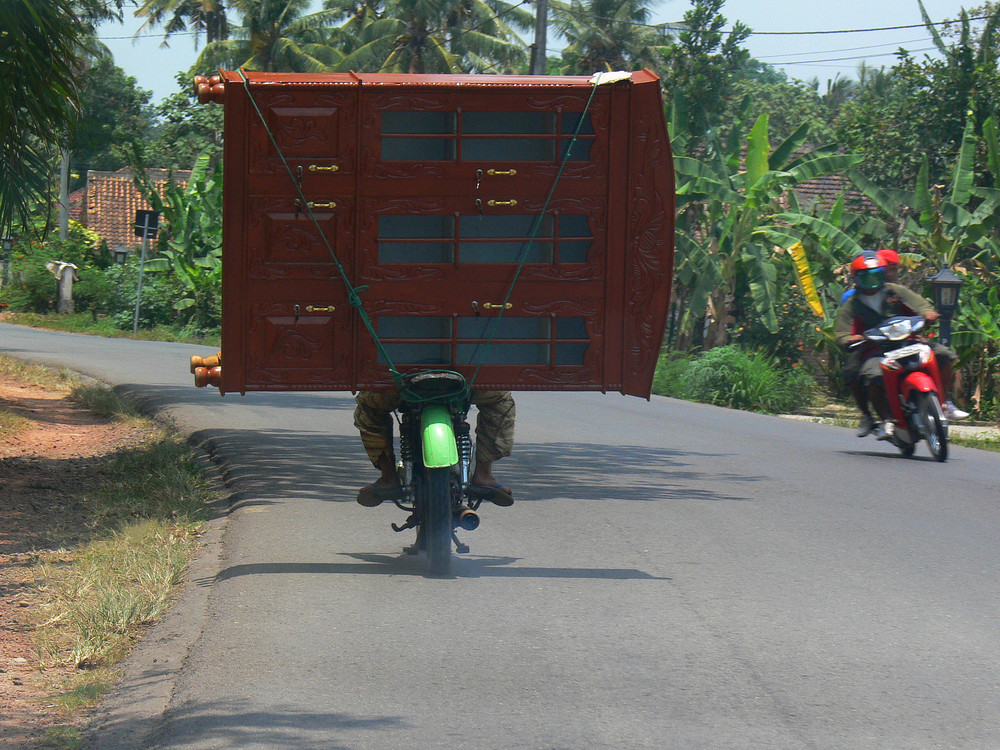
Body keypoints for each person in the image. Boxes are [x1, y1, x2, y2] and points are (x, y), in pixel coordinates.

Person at [835, 251, 968, 441]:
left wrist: (927, 313)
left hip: (907, 340)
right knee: (873, 375)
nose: (872, 280)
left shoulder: (894, 290)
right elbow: (841, 331)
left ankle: (944, 401)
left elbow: (919, 304)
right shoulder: (852, 302)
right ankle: (886, 419)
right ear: (857, 278)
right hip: (875, 349)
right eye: (866, 276)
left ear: (882, 273)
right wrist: (848, 338)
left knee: (943, 354)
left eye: (876, 274)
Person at [354, 389, 516, 506]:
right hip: (463, 377)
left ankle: (389, 477)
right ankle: (483, 474)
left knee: (368, 407)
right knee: (501, 402)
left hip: (403, 381)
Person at [842, 248, 901, 434]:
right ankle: (867, 415)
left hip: (899, 340)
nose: (891, 273)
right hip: (869, 344)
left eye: (893, 269)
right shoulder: (854, 298)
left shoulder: (898, 292)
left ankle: (942, 402)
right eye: (889, 269)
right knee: (853, 372)